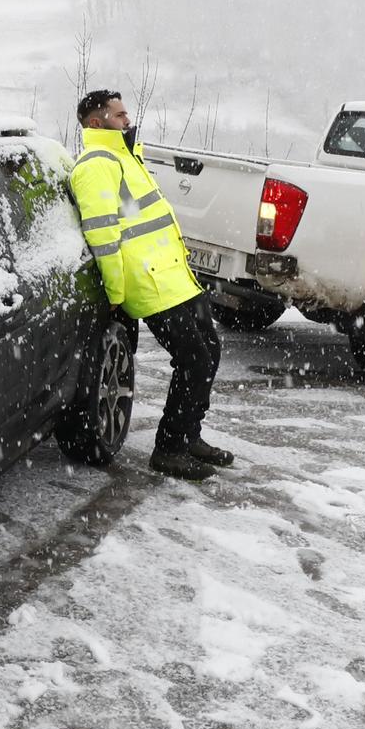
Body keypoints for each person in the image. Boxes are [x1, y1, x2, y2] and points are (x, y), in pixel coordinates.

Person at [69, 89, 233, 479]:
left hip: (176, 278)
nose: (128, 121)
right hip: (150, 285)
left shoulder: (124, 157)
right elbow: (103, 236)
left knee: (208, 351)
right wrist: (116, 294)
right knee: (192, 360)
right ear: (97, 122)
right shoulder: (95, 166)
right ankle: (170, 449)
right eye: (120, 115)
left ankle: (189, 435)